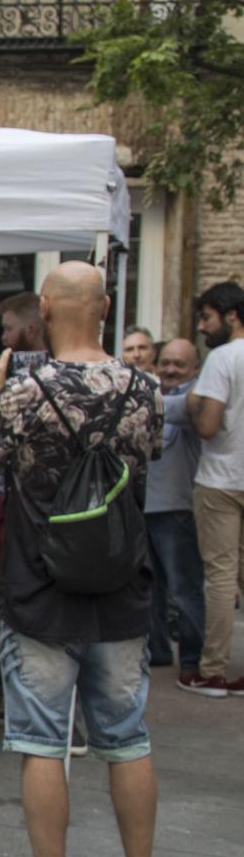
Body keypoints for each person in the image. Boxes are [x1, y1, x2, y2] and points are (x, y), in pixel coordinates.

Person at [0, 261, 163, 857]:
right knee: (127, 740)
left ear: (43, 311)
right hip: (121, 587)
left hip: (42, 588)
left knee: (43, 744)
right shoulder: (145, 388)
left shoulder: (25, 390)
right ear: (106, 308)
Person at [186, 280, 244, 693]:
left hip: (222, 478)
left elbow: (207, 426)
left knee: (220, 576)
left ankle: (212, 670)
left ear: (231, 315)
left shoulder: (223, 358)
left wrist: (192, 404)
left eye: (207, 318)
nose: (202, 327)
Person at [146, 337, 207, 688]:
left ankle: (192, 658)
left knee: (185, 589)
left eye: (179, 364)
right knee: (150, 588)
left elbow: (181, 409)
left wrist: (137, 398)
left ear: (195, 368)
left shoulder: (197, 397)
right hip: (145, 507)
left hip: (179, 509)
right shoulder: (154, 392)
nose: (170, 369)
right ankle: (157, 650)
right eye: (166, 362)